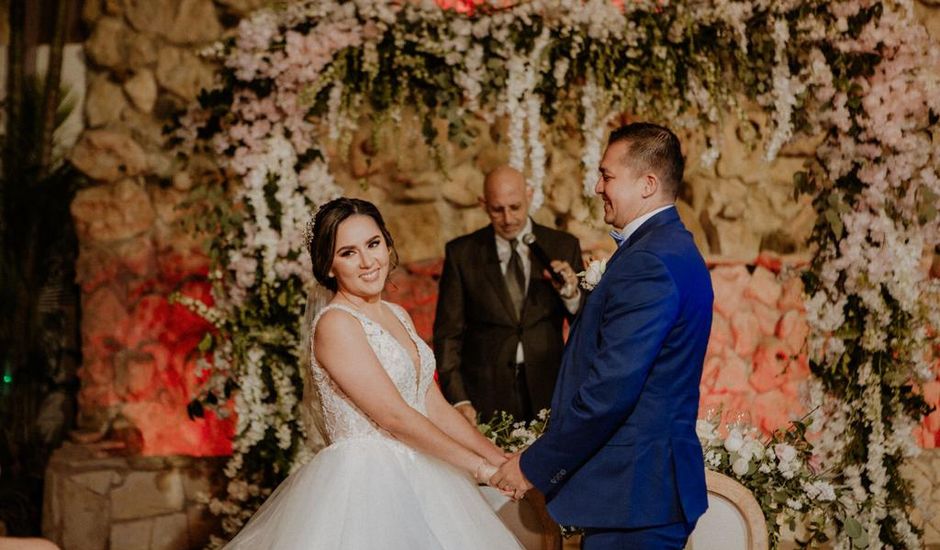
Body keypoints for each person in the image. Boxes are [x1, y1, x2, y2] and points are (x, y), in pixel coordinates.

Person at [224, 198, 521, 549]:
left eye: (373, 244)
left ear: (387, 243)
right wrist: (480, 470)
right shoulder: (335, 324)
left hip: (424, 471)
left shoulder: (397, 314)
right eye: (348, 253)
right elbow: (394, 416)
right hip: (366, 486)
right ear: (329, 266)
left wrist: (497, 456)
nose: (368, 262)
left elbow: (432, 404)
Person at [491, 123, 714, 549]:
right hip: (639, 496)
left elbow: (611, 389)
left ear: (648, 184)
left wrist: (534, 464)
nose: (596, 187)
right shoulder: (668, 249)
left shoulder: (649, 262)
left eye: (607, 175)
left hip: (634, 497)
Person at [434, 166, 584, 424]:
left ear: (529, 195)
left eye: (515, 207)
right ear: (483, 204)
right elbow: (448, 334)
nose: (508, 218)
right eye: (497, 209)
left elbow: (586, 325)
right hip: (485, 391)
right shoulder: (462, 253)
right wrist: (459, 398)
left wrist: (572, 295)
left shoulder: (563, 245)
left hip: (549, 386)